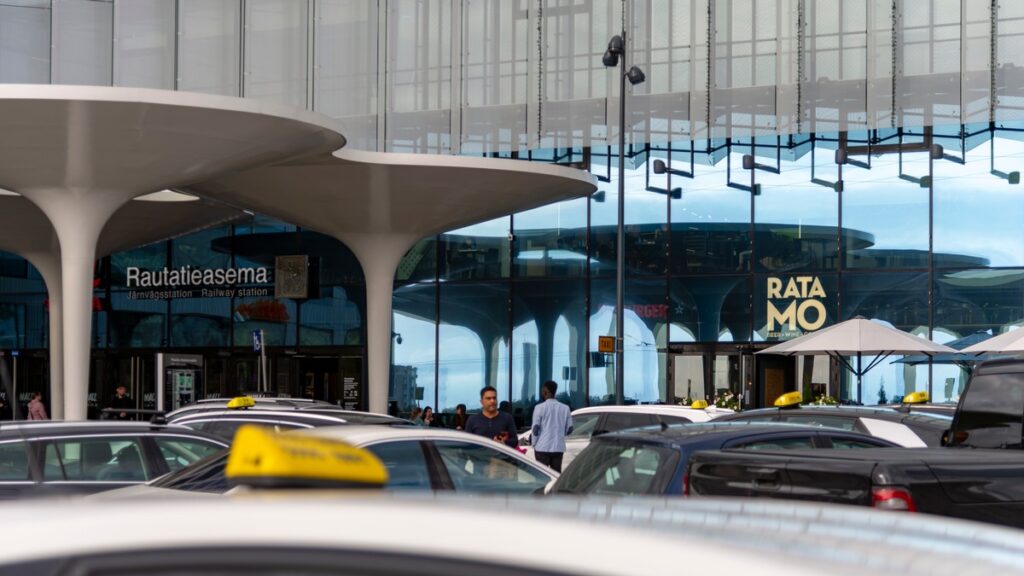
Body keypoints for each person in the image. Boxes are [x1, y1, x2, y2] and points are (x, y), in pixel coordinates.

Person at [530, 380, 572, 472]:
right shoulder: (565, 408)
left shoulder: (539, 408)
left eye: (542, 391)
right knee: (556, 475)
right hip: (558, 447)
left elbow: (535, 429)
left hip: (542, 448)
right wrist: (560, 434)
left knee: (541, 476)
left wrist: (534, 443)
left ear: (545, 391)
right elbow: (569, 429)